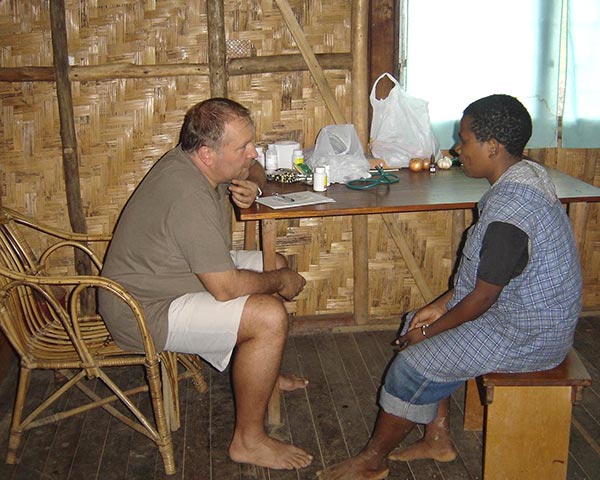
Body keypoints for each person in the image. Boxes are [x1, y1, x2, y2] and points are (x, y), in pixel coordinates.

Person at [317, 94, 582, 479]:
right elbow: (490, 279)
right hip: (523, 313)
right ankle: (437, 439)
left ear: (492, 147)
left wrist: (431, 329)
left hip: (529, 334)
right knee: (418, 322)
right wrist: (439, 307)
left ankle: (372, 460)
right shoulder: (527, 174)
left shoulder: (511, 212)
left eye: (464, 139)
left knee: (411, 362)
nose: (458, 149)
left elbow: (484, 296)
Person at [98, 98, 313, 470]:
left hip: (174, 280)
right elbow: (226, 288)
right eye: (242, 147)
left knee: (273, 261)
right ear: (207, 154)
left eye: (251, 142)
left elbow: (257, 168)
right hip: (144, 309)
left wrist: (255, 187)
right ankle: (249, 441)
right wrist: (281, 281)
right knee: (268, 315)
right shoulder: (186, 194)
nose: (253, 152)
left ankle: (262, 373)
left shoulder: (204, 165)